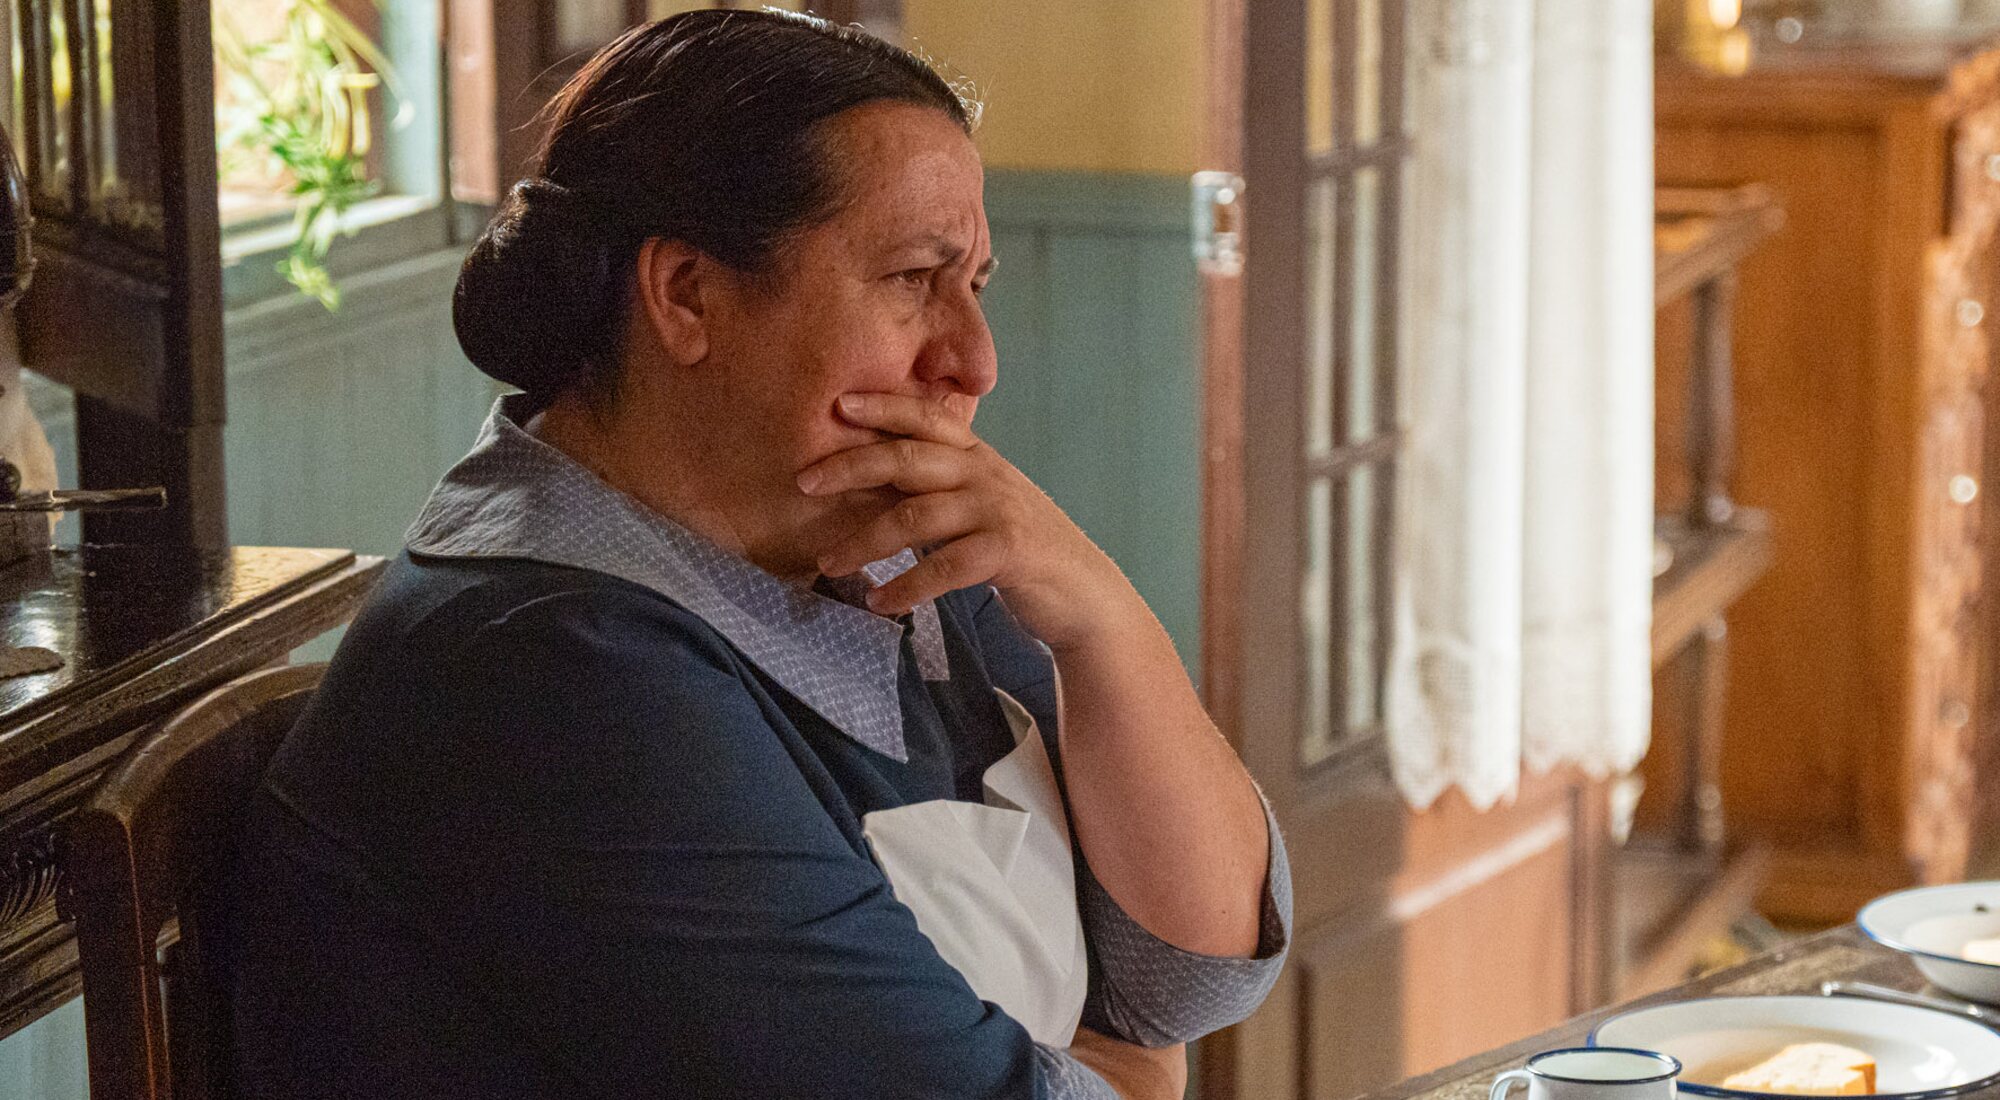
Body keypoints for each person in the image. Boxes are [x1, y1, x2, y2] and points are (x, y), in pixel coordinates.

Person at [217, 10, 1290, 1099]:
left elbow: (1185, 979)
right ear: (688, 294)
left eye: (974, 284)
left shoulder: (882, 541)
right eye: (913, 278)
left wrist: (1095, 611)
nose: (975, 362)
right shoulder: (551, 668)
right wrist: (1134, 1073)